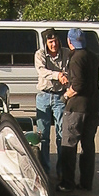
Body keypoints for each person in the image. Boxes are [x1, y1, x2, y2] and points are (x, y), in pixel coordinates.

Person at [57, 27, 99, 194]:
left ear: (69, 42)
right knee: (88, 146)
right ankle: (86, 182)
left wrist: (66, 95)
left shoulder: (76, 58)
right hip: (93, 107)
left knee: (69, 145)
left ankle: (67, 183)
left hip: (77, 108)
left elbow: (78, 85)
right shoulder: (92, 56)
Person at [34, 27, 69, 176]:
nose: (53, 44)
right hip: (43, 96)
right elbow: (41, 71)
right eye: (50, 42)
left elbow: (71, 70)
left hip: (60, 96)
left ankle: (62, 172)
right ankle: (45, 171)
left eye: (55, 41)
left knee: (62, 135)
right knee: (43, 136)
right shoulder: (40, 54)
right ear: (45, 43)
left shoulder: (67, 53)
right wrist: (58, 74)